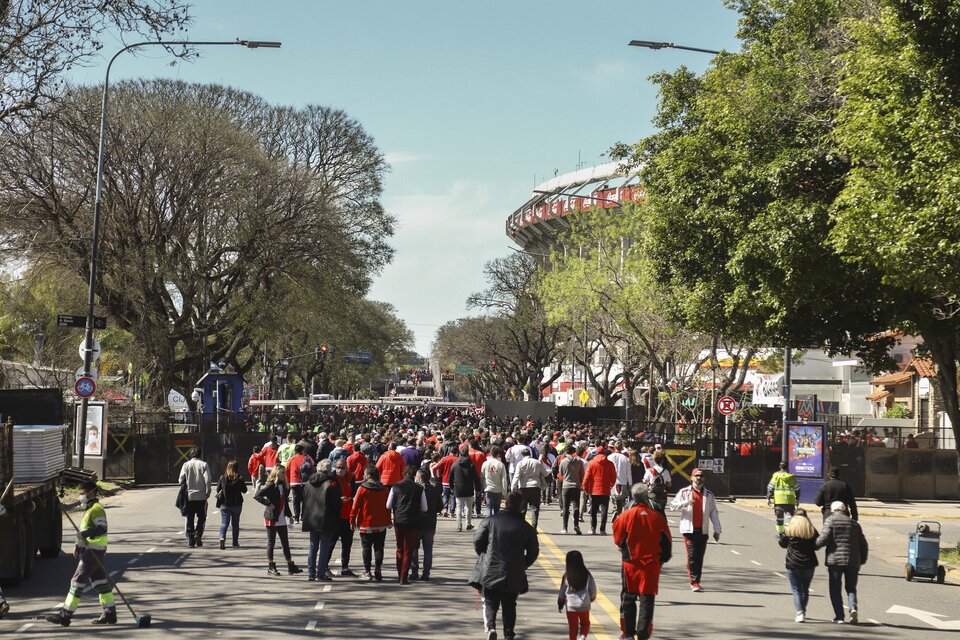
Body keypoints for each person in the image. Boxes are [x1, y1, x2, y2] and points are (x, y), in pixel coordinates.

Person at [469, 491, 540, 640]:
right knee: (509, 605)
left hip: (491, 568)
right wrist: (524, 564)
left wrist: (485, 555)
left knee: (490, 602)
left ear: (505, 503)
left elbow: (477, 541)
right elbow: (534, 551)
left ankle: (491, 628)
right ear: (521, 506)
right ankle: (508, 633)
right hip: (514, 571)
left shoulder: (490, 521)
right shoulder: (525, 527)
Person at [46, 481, 116, 626]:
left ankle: (65, 615)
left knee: (76, 582)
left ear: (91, 493)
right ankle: (110, 613)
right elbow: (86, 532)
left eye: (82, 493)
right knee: (100, 583)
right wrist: (78, 545)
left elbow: (102, 528)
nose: (80, 496)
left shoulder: (96, 509)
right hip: (94, 551)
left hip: (92, 553)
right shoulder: (90, 509)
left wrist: (85, 534)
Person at [613, 483, 672, 640]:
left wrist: (624, 549)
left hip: (631, 563)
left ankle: (628, 633)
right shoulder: (657, 516)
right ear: (647, 497)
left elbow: (618, 538)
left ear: (633, 497)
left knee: (628, 598)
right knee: (647, 599)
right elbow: (666, 540)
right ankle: (643, 633)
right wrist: (663, 559)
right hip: (651, 564)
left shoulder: (626, 515)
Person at [669, 467, 721, 592]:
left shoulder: (709, 495)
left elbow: (713, 513)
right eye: (696, 475)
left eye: (701, 476)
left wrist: (717, 529)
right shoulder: (684, 492)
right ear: (691, 478)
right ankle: (694, 582)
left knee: (699, 557)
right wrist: (686, 503)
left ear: (704, 478)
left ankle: (697, 580)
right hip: (689, 530)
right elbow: (672, 506)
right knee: (692, 557)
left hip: (702, 531)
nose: (699, 478)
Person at [816, 501, 868, 624]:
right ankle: (853, 608)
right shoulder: (854, 524)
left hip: (835, 560)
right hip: (853, 561)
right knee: (851, 588)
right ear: (845, 510)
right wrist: (862, 560)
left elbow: (824, 538)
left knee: (835, 589)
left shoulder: (831, 521)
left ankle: (839, 616)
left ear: (833, 510)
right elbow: (863, 544)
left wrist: (814, 545)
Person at [254, 465, 303, 577]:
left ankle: (290, 565)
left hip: (281, 518)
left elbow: (284, 502)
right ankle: (271, 566)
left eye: (284, 472)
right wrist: (268, 504)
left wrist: (290, 515)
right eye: (281, 472)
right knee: (271, 543)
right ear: (276, 473)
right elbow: (257, 496)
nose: (284, 474)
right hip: (271, 517)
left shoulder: (284, 486)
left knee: (285, 542)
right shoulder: (271, 485)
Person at [302, 459, 342, 582]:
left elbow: (305, 500)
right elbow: (336, 503)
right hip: (326, 518)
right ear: (329, 470)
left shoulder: (309, 482)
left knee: (313, 547)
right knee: (324, 547)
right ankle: (320, 573)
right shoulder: (331, 483)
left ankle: (311, 573)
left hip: (311, 518)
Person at [350, 464, 392, 581]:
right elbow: (388, 507)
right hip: (381, 524)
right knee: (379, 547)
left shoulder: (362, 489)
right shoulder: (384, 489)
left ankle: (367, 571)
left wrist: (352, 520)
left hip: (365, 524)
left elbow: (355, 506)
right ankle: (378, 568)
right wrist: (388, 521)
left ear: (368, 475)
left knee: (366, 548)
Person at [387, 465, 427, 584]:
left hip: (399, 519)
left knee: (399, 548)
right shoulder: (419, 488)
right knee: (408, 549)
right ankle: (404, 577)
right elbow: (425, 508)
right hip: (413, 520)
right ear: (414, 475)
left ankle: (400, 573)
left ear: (403, 474)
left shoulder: (396, 486)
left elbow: (388, 505)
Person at [777, 507, 819, 623]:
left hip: (793, 562)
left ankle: (799, 612)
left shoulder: (790, 529)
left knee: (796, 589)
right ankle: (802, 610)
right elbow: (817, 544)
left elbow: (782, 543)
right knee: (805, 588)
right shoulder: (810, 529)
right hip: (809, 562)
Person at [557, 550, 597, 640]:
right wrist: (592, 598)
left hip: (571, 606)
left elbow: (562, 593)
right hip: (584, 604)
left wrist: (560, 604)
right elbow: (593, 589)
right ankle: (582, 637)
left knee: (573, 627)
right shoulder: (587, 575)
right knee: (585, 623)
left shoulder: (567, 576)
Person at [327, 456, 356, 577]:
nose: (340, 470)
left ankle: (345, 567)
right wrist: (338, 499)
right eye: (338, 467)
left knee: (347, 543)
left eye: (342, 468)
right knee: (331, 543)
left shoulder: (351, 477)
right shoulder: (331, 478)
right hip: (336, 515)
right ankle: (324, 565)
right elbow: (328, 495)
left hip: (348, 515)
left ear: (346, 468)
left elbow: (354, 492)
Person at [412, 466, 443, 581]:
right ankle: (426, 573)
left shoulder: (415, 489)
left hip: (417, 522)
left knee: (414, 548)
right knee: (428, 549)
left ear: (419, 478)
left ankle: (414, 571)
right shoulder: (434, 490)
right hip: (430, 523)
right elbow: (440, 506)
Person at [178, 447, 211, 547]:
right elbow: (208, 480)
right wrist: (208, 492)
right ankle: (198, 533)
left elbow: (180, 480)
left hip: (189, 496)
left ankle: (191, 539)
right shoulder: (204, 464)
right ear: (200, 454)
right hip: (201, 496)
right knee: (202, 517)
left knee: (190, 518)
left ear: (191, 454)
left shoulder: (186, 465)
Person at [511, 447, 550, 529]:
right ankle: (534, 527)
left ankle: (522, 528)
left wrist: (513, 487)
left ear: (522, 455)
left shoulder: (520, 464)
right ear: (530, 454)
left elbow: (516, 476)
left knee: (522, 509)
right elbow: (545, 473)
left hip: (523, 487)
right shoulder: (537, 463)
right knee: (535, 508)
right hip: (535, 486)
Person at [583, 444, 617, 535]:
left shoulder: (591, 463)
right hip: (605, 489)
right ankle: (602, 529)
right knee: (604, 510)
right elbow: (613, 477)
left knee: (594, 510)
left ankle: (593, 528)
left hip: (594, 490)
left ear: (596, 453)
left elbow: (587, 477)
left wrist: (585, 488)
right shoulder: (610, 464)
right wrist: (611, 485)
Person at [450, 444, 483, 532]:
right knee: (468, 507)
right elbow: (476, 478)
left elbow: (450, 476)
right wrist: (478, 489)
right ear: (468, 453)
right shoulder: (471, 465)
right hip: (469, 488)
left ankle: (459, 525)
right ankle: (468, 523)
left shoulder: (455, 464)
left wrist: (451, 486)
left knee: (458, 507)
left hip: (458, 488)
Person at [216, 459, 248, 550]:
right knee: (235, 523)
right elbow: (244, 490)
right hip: (237, 504)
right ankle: (235, 542)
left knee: (224, 522)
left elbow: (218, 489)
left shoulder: (223, 478)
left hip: (225, 504)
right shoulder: (239, 478)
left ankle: (222, 537)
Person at [558, 446, 586, 535]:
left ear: (566, 452)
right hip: (576, 486)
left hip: (566, 486)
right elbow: (582, 474)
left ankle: (564, 527)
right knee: (576, 506)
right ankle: (576, 525)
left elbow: (561, 473)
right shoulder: (579, 461)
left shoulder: (563, 461)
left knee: (566, 507)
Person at [767, 461, 800, 534]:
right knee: (789, 517)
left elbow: (770, 487)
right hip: (790, 500)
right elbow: (797, 489)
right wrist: (797, 499)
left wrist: (768, 498)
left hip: (779, 500)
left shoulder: (776, 476)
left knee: (779, 518)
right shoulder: (791, 477)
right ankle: (788, 533)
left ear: (780, 467)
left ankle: (781, 534)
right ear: (787, 467)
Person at [481, 445, 509, 518]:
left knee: (488, 506)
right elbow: (504, 479)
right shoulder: (501, 464)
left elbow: (482, 476)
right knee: (497, 508)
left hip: (488, 488)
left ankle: (489, 523)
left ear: (490, 453)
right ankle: (495, 524)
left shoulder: (485, 463)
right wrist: (504, 491)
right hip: (498, 489)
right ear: (498, 454)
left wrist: (482, 487)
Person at [608, 443, 632, 520]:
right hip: (623, 481)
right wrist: (630, 483)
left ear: (614, 447)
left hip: (612, 481)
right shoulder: (626, 459)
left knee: (613, 497)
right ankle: (618, 513)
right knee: (621, 499)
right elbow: (629, 472)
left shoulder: (610, 457)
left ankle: (615, 510)